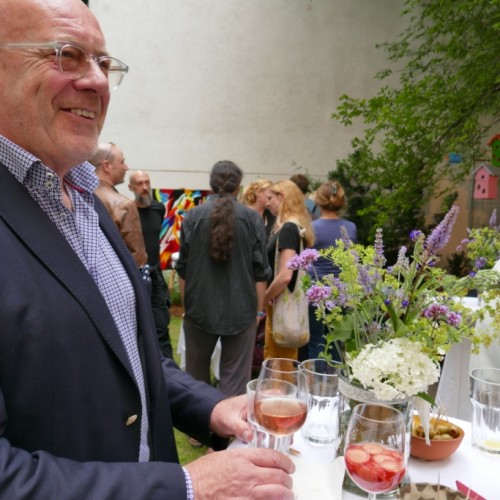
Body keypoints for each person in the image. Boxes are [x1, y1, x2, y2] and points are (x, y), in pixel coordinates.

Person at [0, 1, 295, 498]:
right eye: (67, 54)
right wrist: (184, 485)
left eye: (103, 62)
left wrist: (210, 406)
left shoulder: (84, 200)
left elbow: (131, 356)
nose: (97, 81)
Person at [176, 161, 271, 397]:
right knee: (235, 384)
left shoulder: (192, 217)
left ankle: (199, 421)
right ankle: (229, 421)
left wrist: (188, 308)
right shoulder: (252, 219)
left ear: (211, 184)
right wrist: (258, 312)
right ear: (238, 186)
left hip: (199, 309)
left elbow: (183, 270)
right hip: (242, 311)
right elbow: (260, 272)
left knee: (195, 381)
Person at [263, 180, 315, 360]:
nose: (267, 203)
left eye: (270, 198)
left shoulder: (288, 228)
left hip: (281, 305)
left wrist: (264, 298)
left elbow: (286, 275)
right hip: (283, 302)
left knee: (278, 362)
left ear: (282, 197)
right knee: (282, 360)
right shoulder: (297, 227)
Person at [307, 181, 357, 359]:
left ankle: (314, 375)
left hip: (315, 290)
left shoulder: (311, 227)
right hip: (340, 290)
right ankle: (334, 375)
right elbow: (352, 260)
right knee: (336, 339)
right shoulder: (350, 227)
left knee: (316, 340)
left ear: (318, 201)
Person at [129, 170, 174, 359]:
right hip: (135, 274)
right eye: (139, 183)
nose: (145, 187)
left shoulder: (158, 209)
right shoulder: (127, 210)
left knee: (161, 324)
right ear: (131, 187)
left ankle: (168, 367)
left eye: (147, 182)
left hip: (156, 274)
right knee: (137, 327)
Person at [90, 142, 148, 267]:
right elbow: (138, 260)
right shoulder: (123, 205)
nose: (126, 167)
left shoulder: (76, 197)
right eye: (122, 162)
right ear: (107, 166)